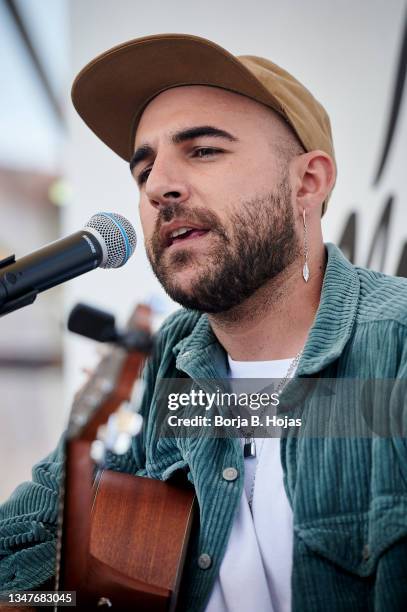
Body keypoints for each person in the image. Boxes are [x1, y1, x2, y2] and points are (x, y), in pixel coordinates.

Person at [1, 33, 407, 611]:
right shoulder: (156, 366)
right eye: (144, 172)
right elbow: (13, 553)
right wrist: (61, 603)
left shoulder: (395, 353)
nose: (159, 187)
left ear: (308, 183)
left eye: (204, 151)